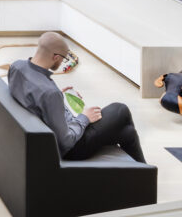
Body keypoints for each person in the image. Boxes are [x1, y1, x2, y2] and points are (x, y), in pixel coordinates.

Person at [8, 31, 149, 163]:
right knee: (120, 110)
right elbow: (66, 141)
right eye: (63, 58)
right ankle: (144, 173)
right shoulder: (50, 93)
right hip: (72, 149)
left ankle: (143, 171)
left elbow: (32, 94)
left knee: (127, 132)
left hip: (51, 129)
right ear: (55, 57)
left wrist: (58, 98)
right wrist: (84, 117)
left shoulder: (16, 67)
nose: (62, 62)